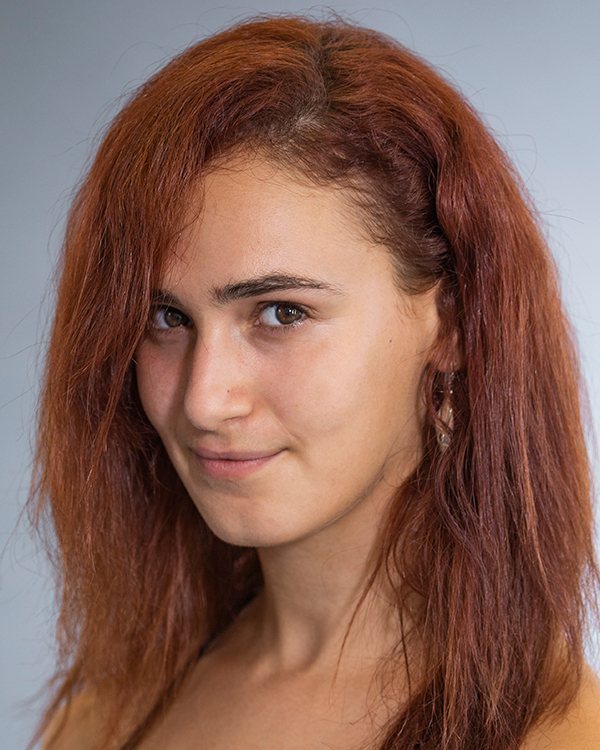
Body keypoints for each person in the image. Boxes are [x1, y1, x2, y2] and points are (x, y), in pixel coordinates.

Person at [31, 14, 600, 750]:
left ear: (452, 323)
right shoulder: (104, 719)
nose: (204, 399)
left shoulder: (559, 735)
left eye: (281, 312)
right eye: (165, 318)